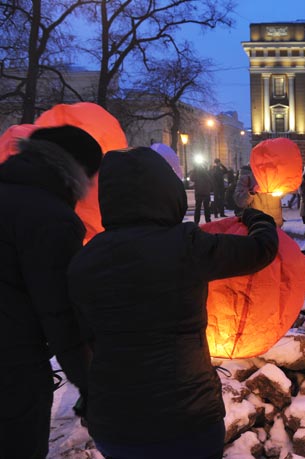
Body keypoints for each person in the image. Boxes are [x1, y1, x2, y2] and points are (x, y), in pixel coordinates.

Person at [67, 147, 278, 459]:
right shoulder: (186, 245)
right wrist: (257, 218)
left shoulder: (85, 260)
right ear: (168, 191)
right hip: (187, 422)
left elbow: (82, 341)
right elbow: (260, 250)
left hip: (115, 426)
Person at [0, 125, 102, 459]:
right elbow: (61, 314)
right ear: (78, 171)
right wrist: (91, 386)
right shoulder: (51, 218)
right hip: (14, 372)